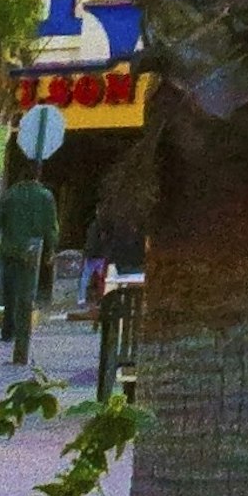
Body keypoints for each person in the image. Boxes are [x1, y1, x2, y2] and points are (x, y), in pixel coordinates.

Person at [85, 131, 154, 399]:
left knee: (120, 322)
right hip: (140, 273)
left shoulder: (115, 212)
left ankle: (110, 392)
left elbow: (103, 238)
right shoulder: (150, 218)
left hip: (120, 276)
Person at [0, 131, 64, 369]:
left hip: (9, 249)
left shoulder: (11, 194)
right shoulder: (45, 197)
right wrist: (52, 251)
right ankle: (21, 338)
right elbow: (51, 227)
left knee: (9, 293)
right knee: (26, 296)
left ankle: (7, 332)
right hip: (32, 251)